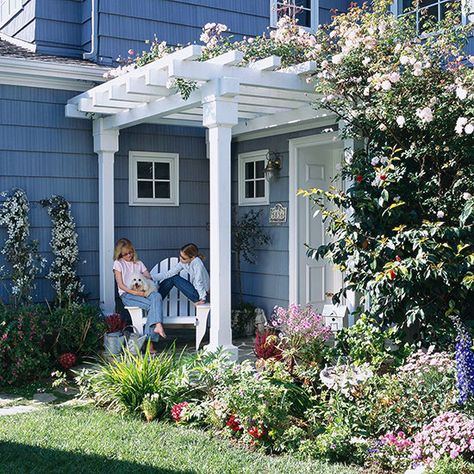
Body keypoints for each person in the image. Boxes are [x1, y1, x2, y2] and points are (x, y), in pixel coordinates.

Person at [113, 238, 166, 348]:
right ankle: (151, 339)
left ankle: (156, 327)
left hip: (143, 291)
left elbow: (148, 277)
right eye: (125, 254)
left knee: (157, 295)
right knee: (154, 305)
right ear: (120, 254)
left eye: (130, 252)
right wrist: (135, 293)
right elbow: (121, 285)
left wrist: (147, 280)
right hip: (127, 294)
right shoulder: (118, 264)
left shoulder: (139, 263)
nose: (129, 255)